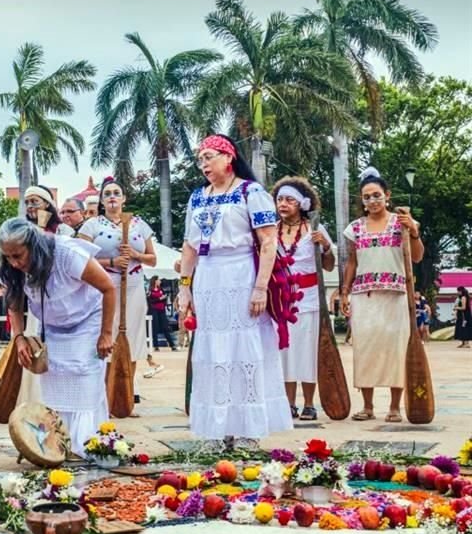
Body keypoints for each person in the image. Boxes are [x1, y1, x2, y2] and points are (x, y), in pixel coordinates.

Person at [177, 134, 292, 450]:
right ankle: (217, 428)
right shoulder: (198, 198)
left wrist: (260, 288)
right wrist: (185, 289)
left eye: (209, 156)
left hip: (241, 273)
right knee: (212, 350)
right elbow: (189, 246)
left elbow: (268, 242)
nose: (204, 164)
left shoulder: (250, 192)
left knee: (244, 349)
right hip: (208, 277)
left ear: (228, 157)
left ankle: (247, 430)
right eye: (200, 159)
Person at [0, 218, 115, 456]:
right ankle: (58, 446)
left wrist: (106, 333)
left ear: (34, 246)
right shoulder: (13, 268)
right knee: (55, 380)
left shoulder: (67, 254)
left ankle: (86, 445)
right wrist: (19, 338)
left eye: (18, 255)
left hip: (87, 320)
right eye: (8, 257)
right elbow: (14, 304)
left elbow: (108, 288)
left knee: (83, 375)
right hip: (53, 326)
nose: (14, 263)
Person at [341, 167, 424, 423]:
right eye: (367, 197)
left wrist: (414, 232)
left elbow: (418, 256)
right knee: (365, 349)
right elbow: (352, 262)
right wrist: (344, 291)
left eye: (376, 195)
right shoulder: (355, 228)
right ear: (362, 201)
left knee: (396, 350)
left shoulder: (401, 222)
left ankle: (395, 407)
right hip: (364, 296)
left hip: (396, 295)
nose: (372, 201)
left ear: (387, 195)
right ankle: (367, 406)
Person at [79, 177, 157, 409]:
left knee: (131, 339)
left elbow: (153, 259)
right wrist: (111, 260)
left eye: (116, 193)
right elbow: (80, 259)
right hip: (104, 286)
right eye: (107, 194)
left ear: (123, 198)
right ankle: (105, 395)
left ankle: (126, 396)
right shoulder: (91, 226)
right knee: (106, 337)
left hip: (133, 286)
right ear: (102, 201)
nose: (112, 197)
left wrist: (135, 254)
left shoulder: (139, 224)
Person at [271, 177, 335, 421]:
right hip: (280, 299)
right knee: (284, 352)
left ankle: (309, 404)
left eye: (289, 200)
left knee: (308, 352)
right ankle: (288, 403)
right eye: (279, 200)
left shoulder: (315, 229)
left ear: (302, 203)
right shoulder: (270, 230)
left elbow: (328, 267)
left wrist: (326, 247)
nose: (283, 204)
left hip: (309, 299)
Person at [147, 276, 176, 362]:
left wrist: (163, 299)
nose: (160, 281)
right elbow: (150, 300)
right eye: (158, 280)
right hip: (154, 310)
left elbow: (164, 298)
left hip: (162, 310)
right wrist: (159, 299)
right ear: (155, 281)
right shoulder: (150, 291)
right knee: (155, 327)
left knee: (165, 327)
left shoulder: (161, 290)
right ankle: (156, 346)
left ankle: (172, 345)